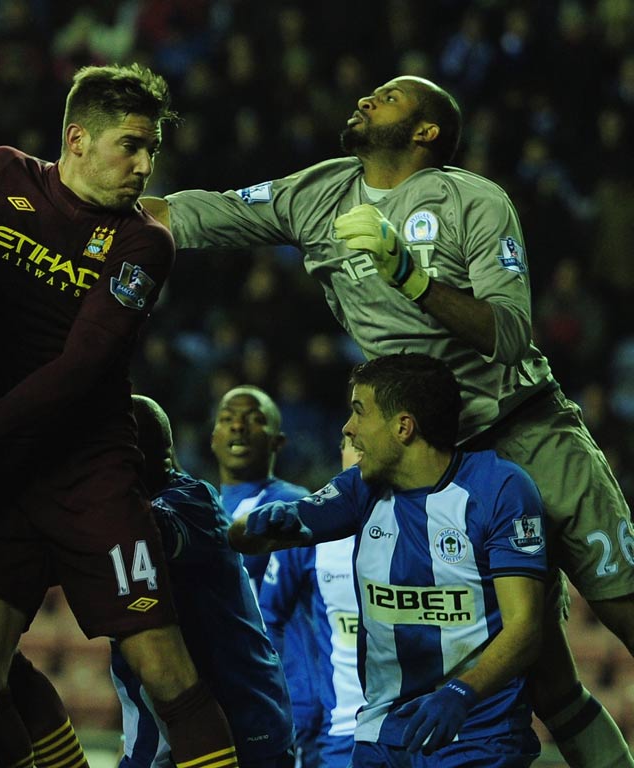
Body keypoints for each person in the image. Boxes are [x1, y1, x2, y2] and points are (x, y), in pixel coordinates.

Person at [142, 75, 634, 768]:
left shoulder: (474, 201)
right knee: (547, 681)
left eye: (392, 97)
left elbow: (512, 334)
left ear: (427, 130)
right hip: (439, 462)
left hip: (527, 428)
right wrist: (83, 206)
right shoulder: (321, 193)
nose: (370, 98)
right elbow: (204, 213)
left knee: (624, 607)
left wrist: (410, 275)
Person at [0, 63, 241, 768]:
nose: (145, 165)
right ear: (78, 138)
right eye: (131, 145)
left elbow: (77, 372)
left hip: (85, 476)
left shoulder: (142, 242)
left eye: (152, 149)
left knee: (166, 670)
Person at [230, 353, 546, 767]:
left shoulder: (499, 489)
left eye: (360, 412)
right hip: (381, 734)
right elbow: (247, 540)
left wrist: (461, 692)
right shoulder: (359, 490)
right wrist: (256, 525)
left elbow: (526, 626)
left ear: (403, 426)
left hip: (476, 733)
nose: (347, 429)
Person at [110, 394, 295, 768]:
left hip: (242, 727)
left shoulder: (191, 502)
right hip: (163, 734)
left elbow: (150, 532)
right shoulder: (115, 517)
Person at [210, 385, 326, 767]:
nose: (238, 427)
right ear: (212, 437)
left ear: (278, 441)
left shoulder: (291, 505)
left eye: (254, 419)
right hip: (220, 693)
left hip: (281, 694)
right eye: (227, 419)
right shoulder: (198, 504)